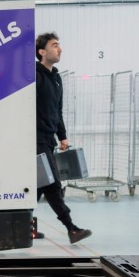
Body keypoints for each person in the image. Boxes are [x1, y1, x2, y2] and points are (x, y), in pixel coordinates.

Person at [35, 32, 92, 244]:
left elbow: (57, 111)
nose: (60, 49)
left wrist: (63, 136)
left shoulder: (56, 77)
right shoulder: (35, 75)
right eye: (54, 45)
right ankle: (71, 228)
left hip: (49, 138)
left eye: (59, 45)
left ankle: (26, 227)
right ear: (42, 51)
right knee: (52, 184)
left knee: (39, 185)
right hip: (36, 138)